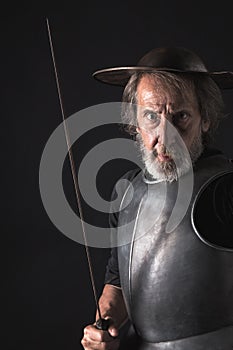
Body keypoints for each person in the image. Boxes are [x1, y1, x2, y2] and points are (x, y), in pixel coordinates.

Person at [81, 47, 233, 350]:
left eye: (180, 117)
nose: (165, 136)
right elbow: (120, 283)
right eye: (151, 116)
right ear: (135, 122)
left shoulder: (226, 191)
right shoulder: (126, 191)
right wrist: (105, 325)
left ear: (205, 119)